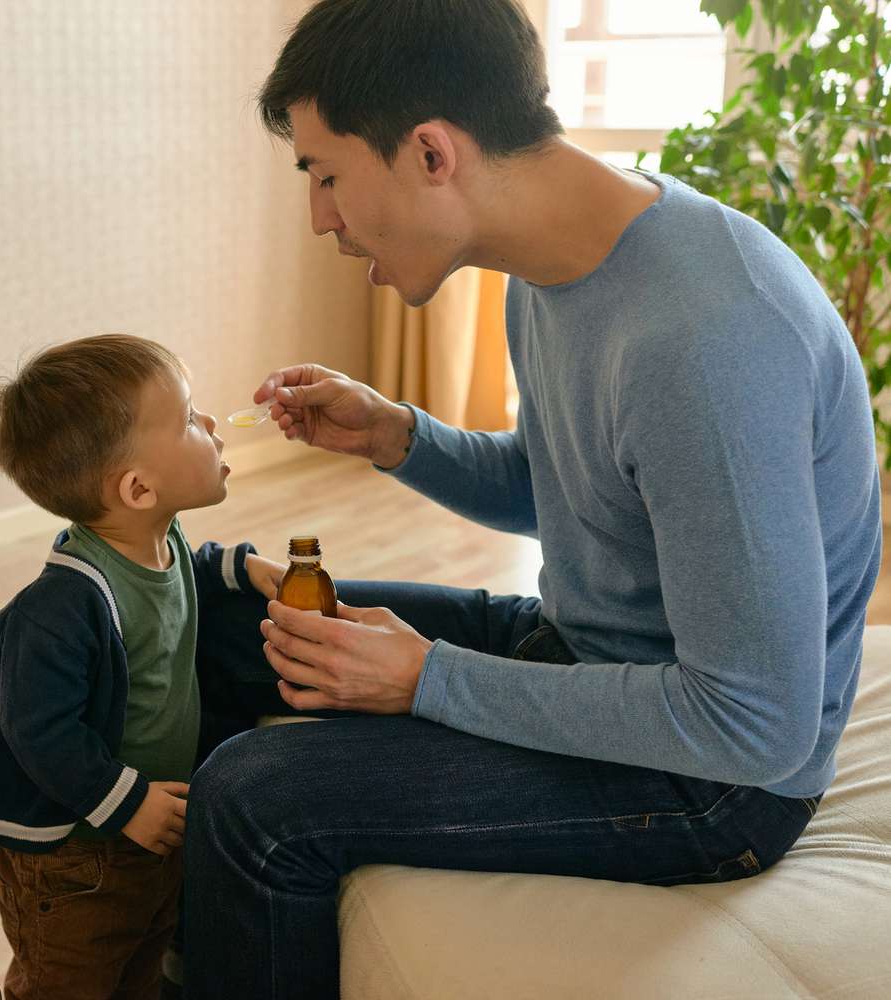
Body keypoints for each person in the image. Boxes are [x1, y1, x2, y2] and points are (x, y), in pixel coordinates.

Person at [180, 1, 884, 996]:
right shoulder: (557, 268)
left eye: (325, 175)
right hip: (592, 654)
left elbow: (752, 723)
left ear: (432, 152)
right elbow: (570, 490)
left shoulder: (704, 340)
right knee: (217, 624)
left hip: (717, 782)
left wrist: (428, 680)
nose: (320, 219)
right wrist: (397, 436)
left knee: (254, 800)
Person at [0, 335, 280, 999]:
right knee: (70, 984)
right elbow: (39, 730)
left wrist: (239, 566)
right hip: (77, 856)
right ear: (138, 489)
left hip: (141, 833)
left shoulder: (157, 537)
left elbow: (182, 573)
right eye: (189, 419)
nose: (211, 422)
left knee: (139, 969)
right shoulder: (60, 607)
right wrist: (127, 801)